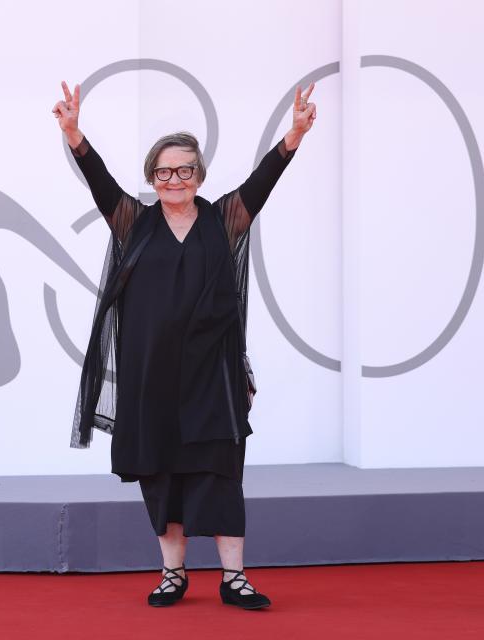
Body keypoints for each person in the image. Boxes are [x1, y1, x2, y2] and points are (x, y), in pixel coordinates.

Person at [52, 79, 316, 609]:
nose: (174, 179)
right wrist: (74, 134)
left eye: (185, 170)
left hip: (210, 376)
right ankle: (173, 574)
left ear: (199, 176)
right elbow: (98, 181)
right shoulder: (134, 222)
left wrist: (293, 137)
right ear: (152, 177)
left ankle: (234, 577)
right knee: (161, 471)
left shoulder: (224, 220)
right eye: (164, 171)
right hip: (151, 377)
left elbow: (261, 183)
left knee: (219, 471)